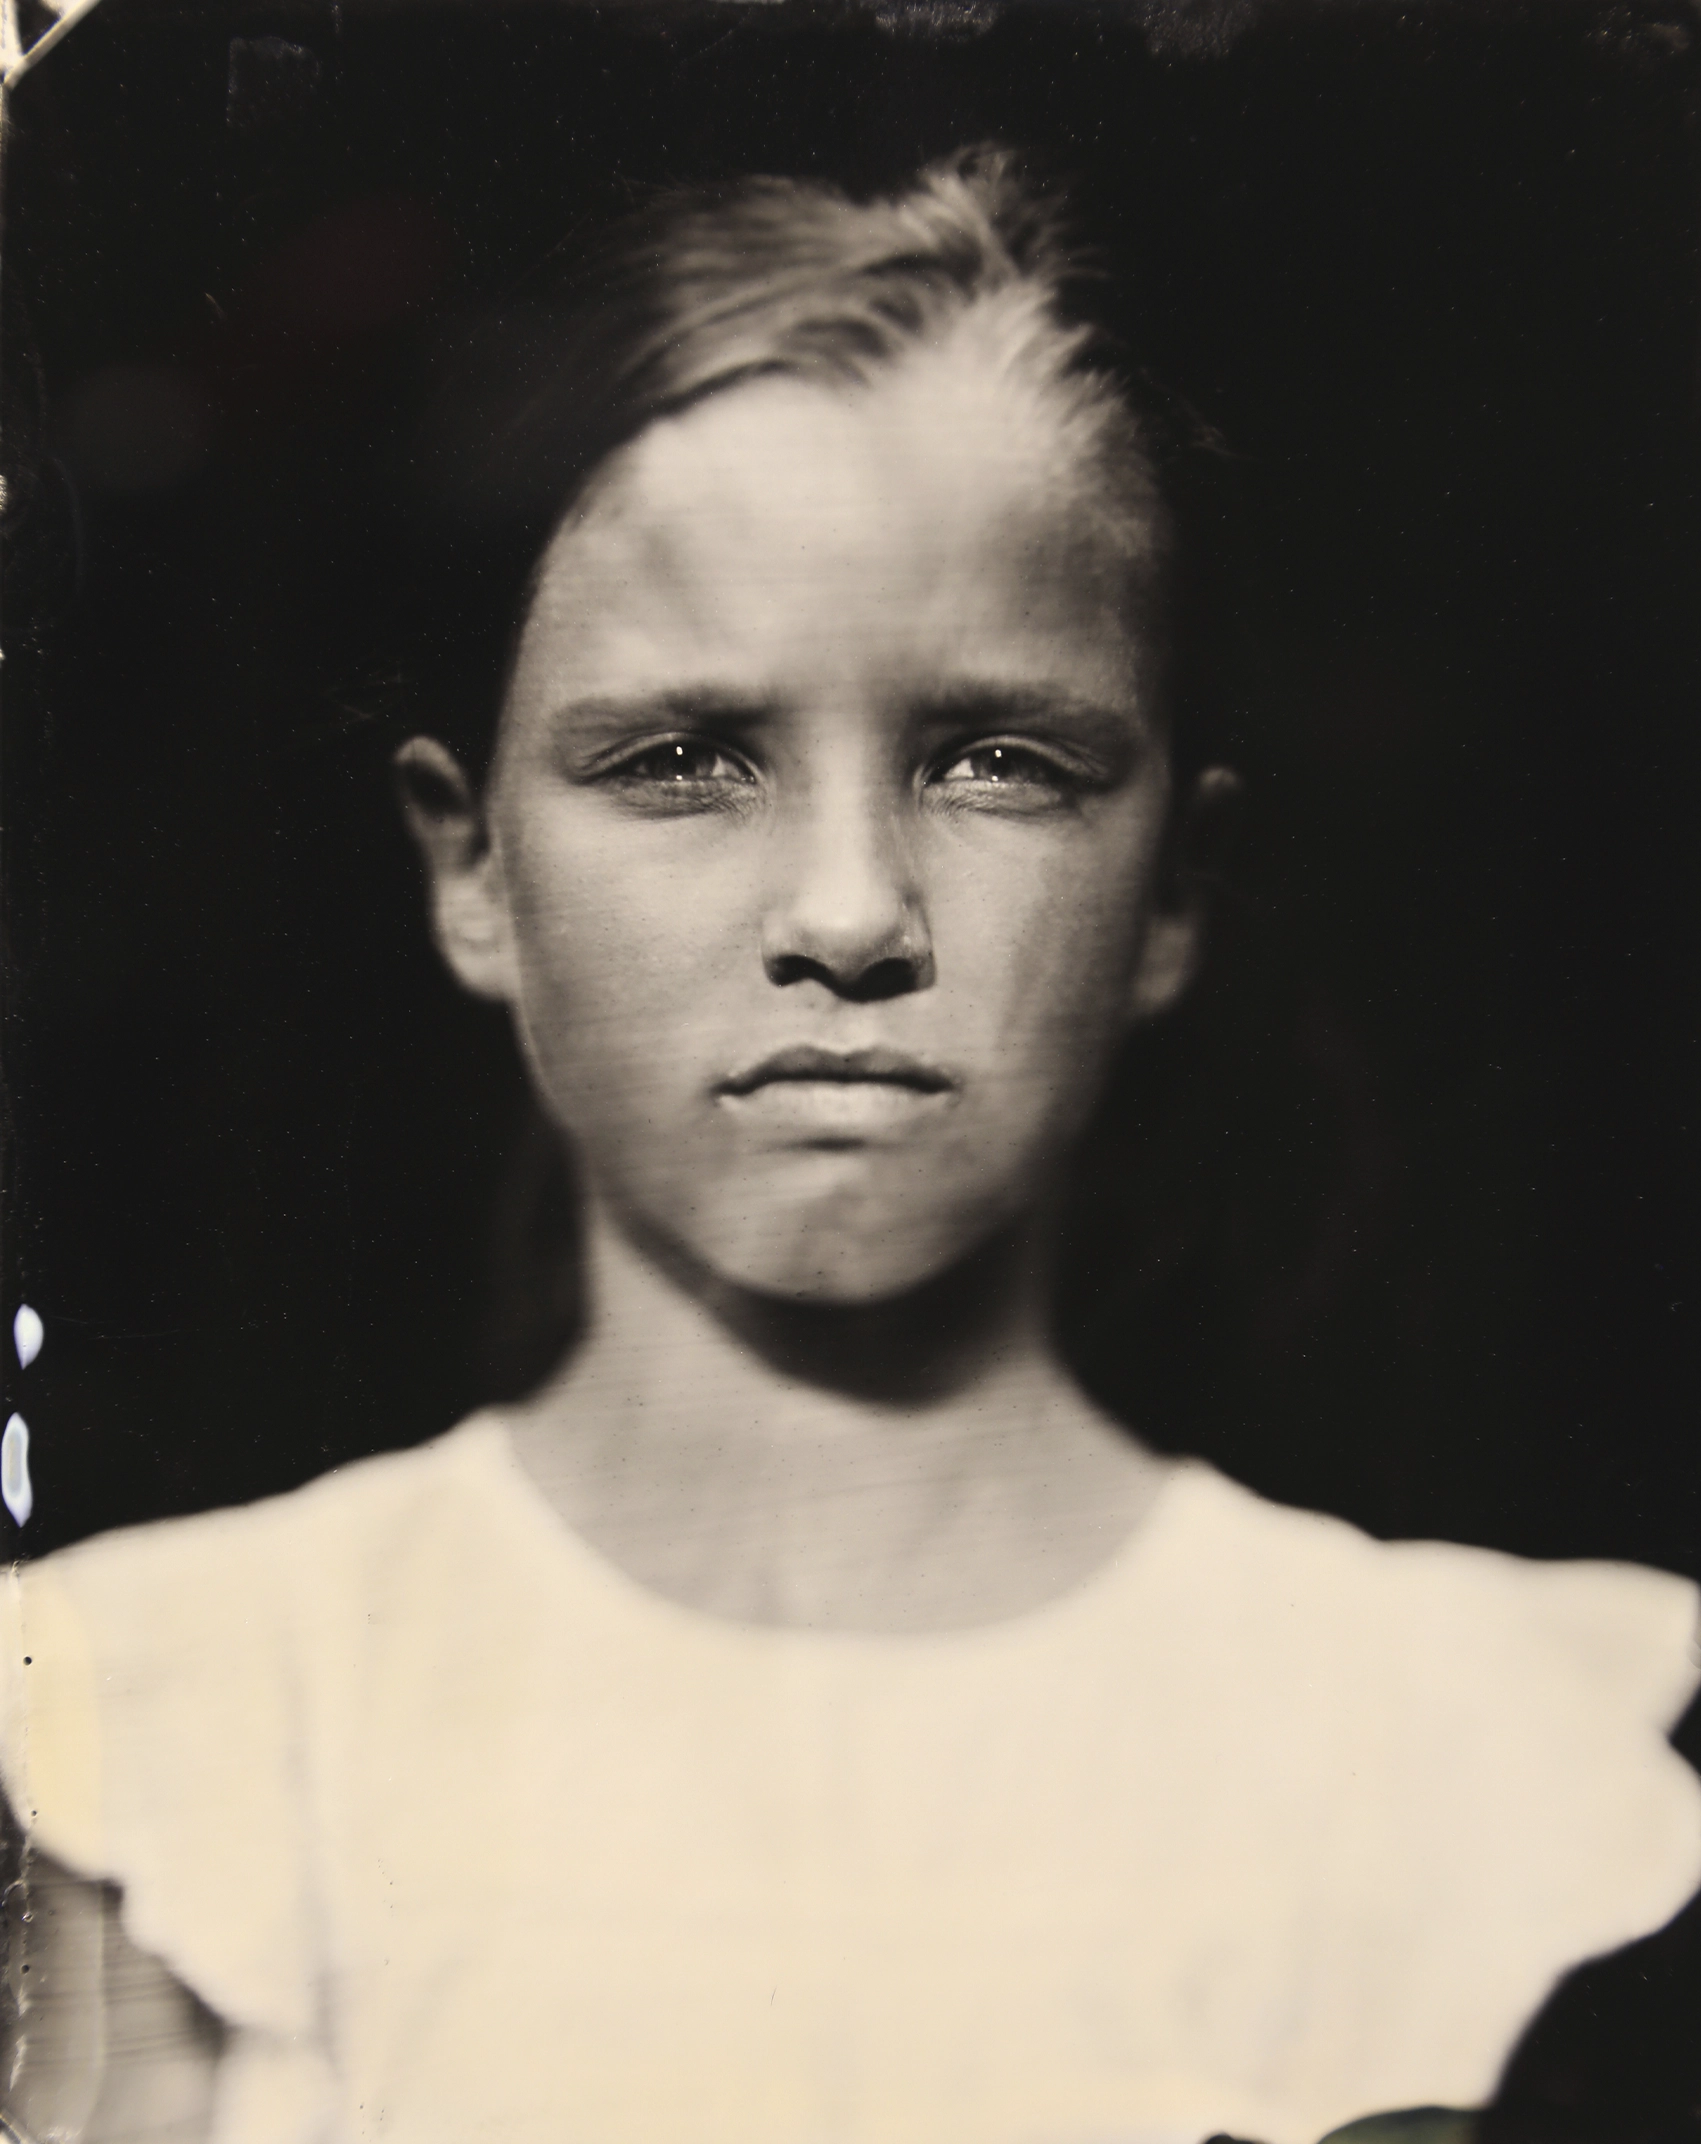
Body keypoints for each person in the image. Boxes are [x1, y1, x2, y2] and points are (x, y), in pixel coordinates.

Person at [3, 146, 1698, 2144]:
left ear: (1173, 887)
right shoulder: (145, 1744)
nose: (849, 912)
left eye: (1000, 761)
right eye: (680, 759)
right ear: (472, 869)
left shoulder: (1547, 1772)